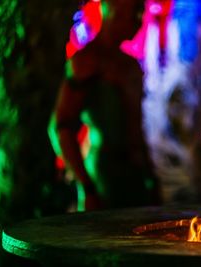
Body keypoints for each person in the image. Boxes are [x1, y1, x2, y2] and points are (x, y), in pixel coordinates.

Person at [52, 0, 161, 210]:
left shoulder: (129, 65)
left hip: (135, 176)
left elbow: (135, 131)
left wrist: (150, 177)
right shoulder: (87, 62)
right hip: (104, 175)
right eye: (135, 13)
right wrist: (87, 186)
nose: (139, 22)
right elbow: (60, 127)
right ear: (115, 11)